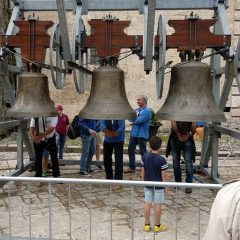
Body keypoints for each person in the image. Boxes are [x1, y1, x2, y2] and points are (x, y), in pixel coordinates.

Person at [141, 136, 168, 232]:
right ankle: (157, 225)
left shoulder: (144, 156)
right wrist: (166, 188)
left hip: (147, 184)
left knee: (147, 203)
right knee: (158, 205)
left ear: (149, 146)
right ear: (160, 147)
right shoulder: (162, 160)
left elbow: (142, 172)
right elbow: (164, 176)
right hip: (159, 186)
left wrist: (143, 182)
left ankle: (147, 224)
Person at [167, 121, 196, 194]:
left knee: (188, 161)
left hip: (188, 138)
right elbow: (173, 123)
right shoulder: (175, 110)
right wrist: (178, 134)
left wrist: (188, 135)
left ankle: (189, 183)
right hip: (175, 138)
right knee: (176, 161)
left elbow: (194, 124)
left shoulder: (191, 110)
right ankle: (177, 181)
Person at [125, 95, 151, 173]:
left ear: (144, 101)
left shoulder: (147, 111)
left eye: (139, 100)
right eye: (137, 100)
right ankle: (132, 167)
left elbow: (140, 120)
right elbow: (130, 118)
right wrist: (135, 120)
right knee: (130, 150)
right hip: (134, 134)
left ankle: (144, 168)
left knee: (143, 151)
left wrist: (135, 120)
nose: (137, 101)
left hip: (142, 134)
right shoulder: (136, 110)